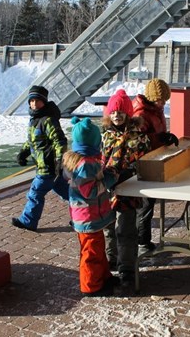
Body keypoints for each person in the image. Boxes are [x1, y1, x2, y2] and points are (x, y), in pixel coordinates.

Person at [63, 117, 120, 297]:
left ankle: (103, 277)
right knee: (91, 253)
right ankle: (91, 286)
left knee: (96, 248)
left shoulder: (80, 161)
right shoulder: (87, 164)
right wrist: (109, 178)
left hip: (87, 216)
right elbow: (90, 190)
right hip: (89, 216)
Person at [101, 89, 151, 286]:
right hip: (108, 190)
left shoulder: (139, 137)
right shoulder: (106, 136)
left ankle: (127, 267)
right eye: (113, 112)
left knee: (126, 229)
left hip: (129, 189)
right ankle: (111, 259)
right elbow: (102, 159)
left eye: (120, 112)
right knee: (108, 228)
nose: (116, 116)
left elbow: (145, 161)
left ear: (128, 114)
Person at [11, 85, 69, 232]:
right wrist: (23, 153)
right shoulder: (34, 120)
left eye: (38, 101)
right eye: (32, 101)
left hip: (48, 167)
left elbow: (60, 141)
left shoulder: (48, 120)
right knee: (68, 193)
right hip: (45, 166)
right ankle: (83, 214)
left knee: (35, 193)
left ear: (44, 102)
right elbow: (31, 141)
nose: (34, 104)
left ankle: (28, 221)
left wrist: (59, 161)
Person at [132, 78, 179, 254]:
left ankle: (143, 239)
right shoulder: (141, 113)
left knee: (149, 203)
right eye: (160, 100)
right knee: (145, 204)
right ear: (151, 98)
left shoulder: (155, 109)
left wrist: (165, 136)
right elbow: (138, 140)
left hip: (154, 159)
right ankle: (141, 242)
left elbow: (156, 132)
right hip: (144, 163)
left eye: (165, 100)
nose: (163, 103)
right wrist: (159, 139)